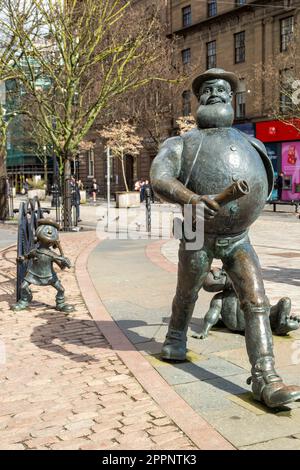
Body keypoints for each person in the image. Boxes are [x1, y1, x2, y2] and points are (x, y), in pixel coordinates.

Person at [150, 67, 300, 408]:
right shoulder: (180, 143)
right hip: (196, 232)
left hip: (238, 237)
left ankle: (265, 378)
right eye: (208, 89)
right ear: (197, 100)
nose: (215, 93)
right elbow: (159, 178)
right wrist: (190, 198)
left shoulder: (252, 143)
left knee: (256, 300)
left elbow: (268, 181)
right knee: (187, 291)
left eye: (223, 89)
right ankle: (175, 338)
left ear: (232, 99)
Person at [194, 267, 300, 339]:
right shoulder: (247, 293)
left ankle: (282, 323)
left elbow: (212, 314)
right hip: (257, 324)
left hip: (243, 324)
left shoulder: (220, 298)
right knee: (285, 302)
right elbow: (212, 314)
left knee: (284, 302)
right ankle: (280, 324)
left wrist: (205, 331)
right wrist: (205, 329)